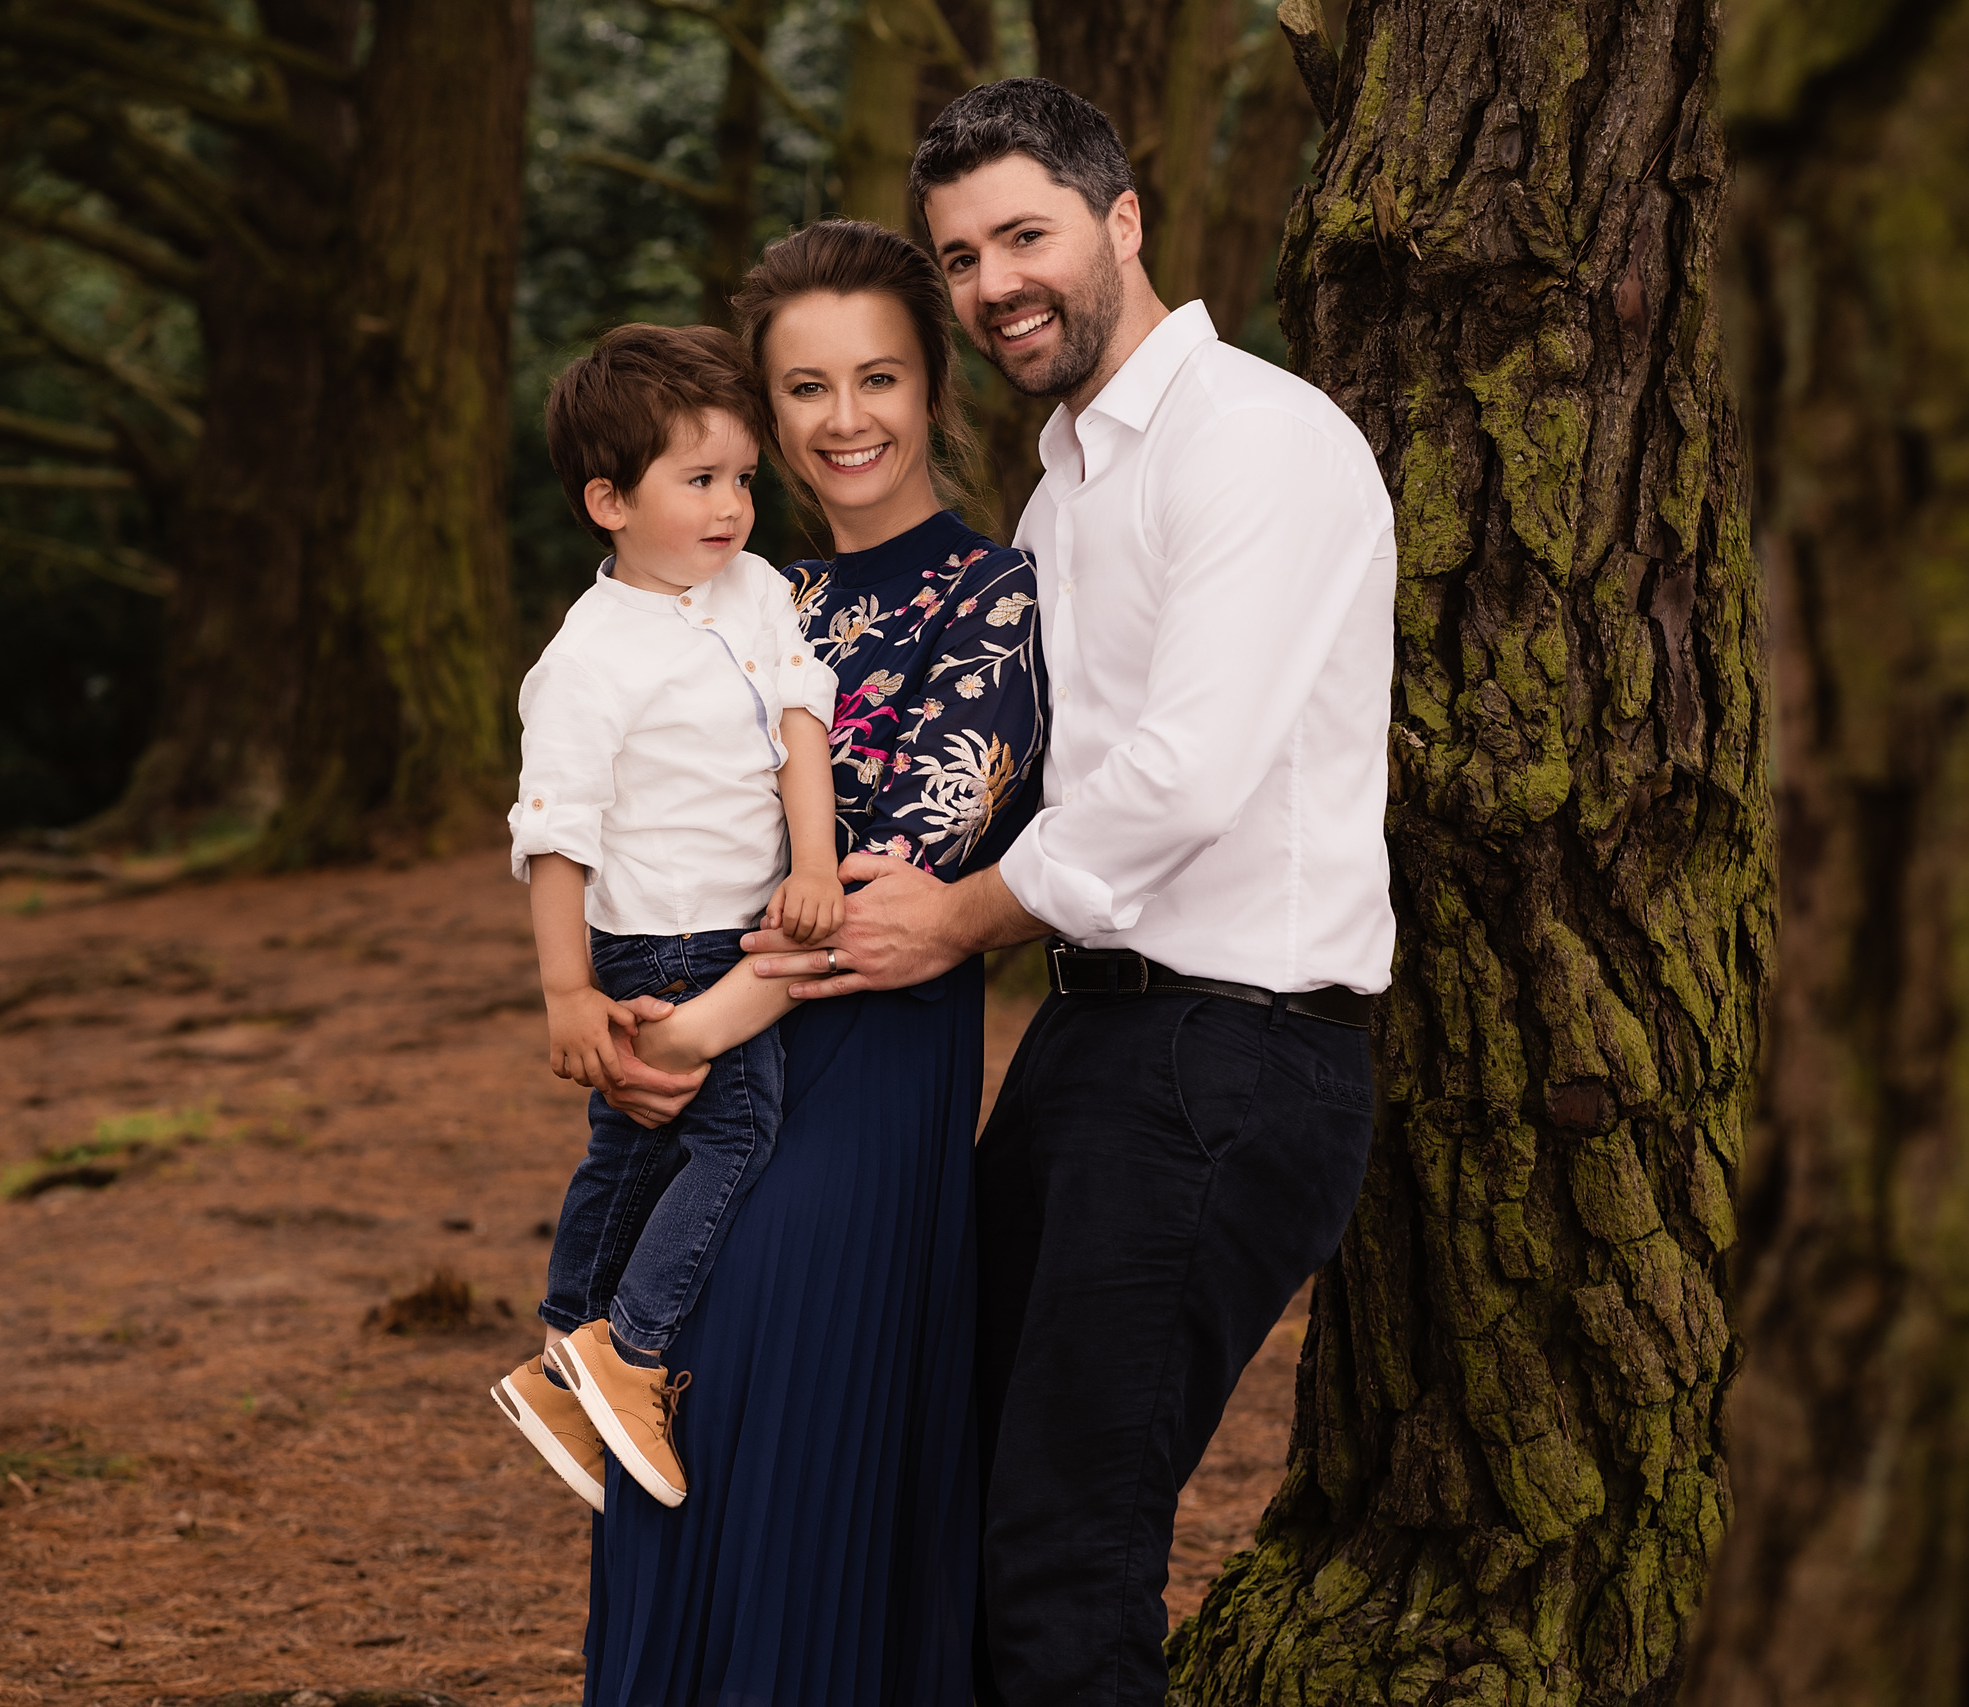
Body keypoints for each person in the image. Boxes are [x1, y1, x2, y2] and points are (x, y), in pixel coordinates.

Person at [737, 78, 1399, 1706]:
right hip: (1098, 1043)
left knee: (1062, 1557)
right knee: (950, 1495)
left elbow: (1188, 767)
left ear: (1122, 221)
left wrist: (959, 919)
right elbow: (1011, 772)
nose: (993, 284)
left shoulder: (1256, 440)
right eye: (961, 258)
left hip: (1234, 1051)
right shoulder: (1064, 489)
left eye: (1023, 235)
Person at [585, 219, 1047, 1706]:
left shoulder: (996, 599)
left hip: (855, 1080)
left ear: (933, 389)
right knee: (669, 1450)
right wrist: (608, 1016)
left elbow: (884, 891)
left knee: (780, 1435)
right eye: (804, 388)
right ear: (762, 410)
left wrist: (684, 1034)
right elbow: (627, 815)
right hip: (703, 1082)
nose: (845, 420)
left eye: (879, 378)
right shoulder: (735, 594)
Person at [490, 322, 845, 1513]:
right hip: (661, 940)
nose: (731, 505)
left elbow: (803, 721)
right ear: (607, 500)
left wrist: (814, 864)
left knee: (634, 1146)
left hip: (742, 912)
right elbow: (556, 834)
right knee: (734, 1134)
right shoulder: (589, 659)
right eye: (698, 482)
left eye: (742, 478)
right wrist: (566, 993)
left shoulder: (752, 589)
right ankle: (627, 1351)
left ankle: (557, 1356)